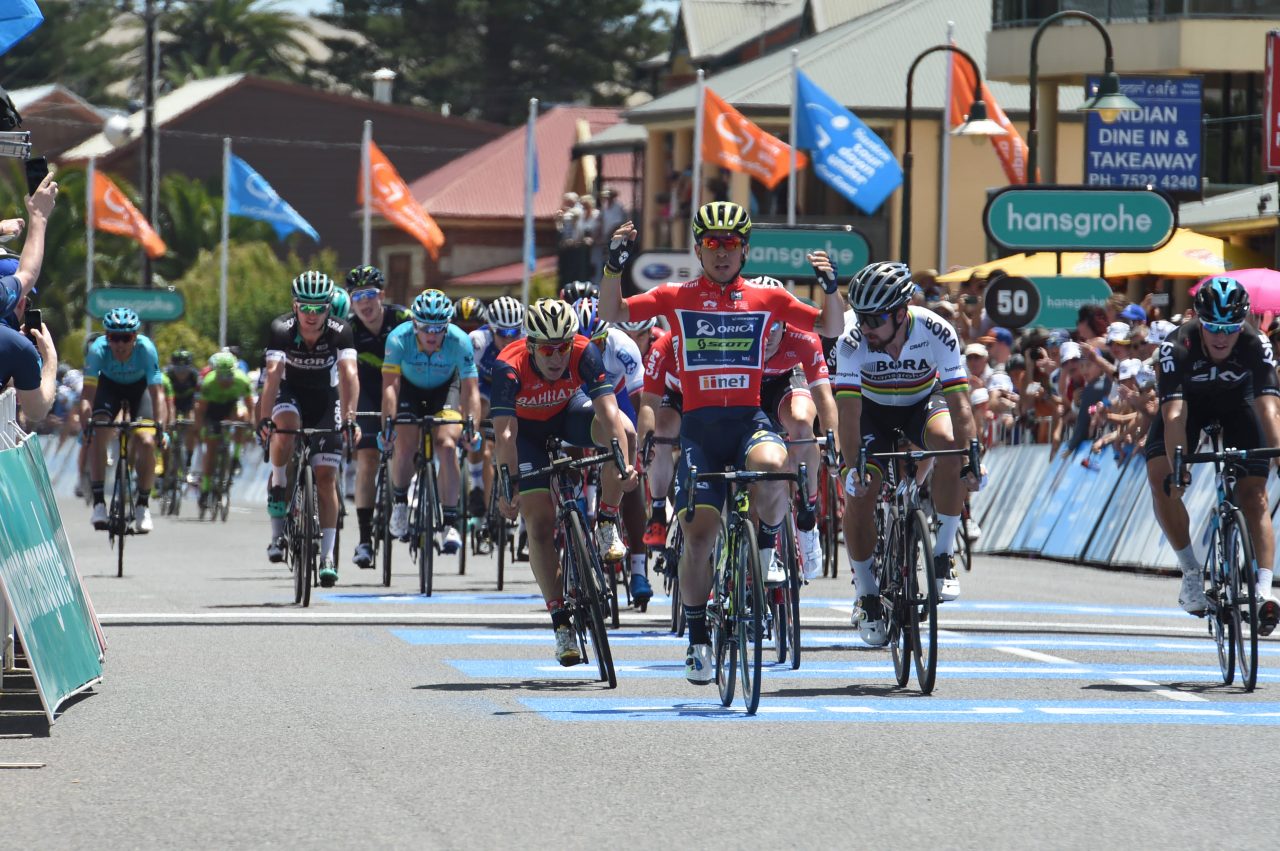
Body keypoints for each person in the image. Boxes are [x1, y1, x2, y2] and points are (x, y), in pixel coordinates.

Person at [598, 201, 844, 684]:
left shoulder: (766, 299)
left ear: (746, 249)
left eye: (732, 243)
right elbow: (615, 311)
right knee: (699, 537)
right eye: (713, 243)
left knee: (776, 466)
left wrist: (833, 290)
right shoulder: (676, 294)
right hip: (700, 431)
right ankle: (695, 640)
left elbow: (829, 326)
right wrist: (613, 267)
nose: (723, 252)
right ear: (698, 249)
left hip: (749, 420)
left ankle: (770, 549)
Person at [834, 262, 983, 646]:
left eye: (877, 318)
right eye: (862, 317)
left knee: (950, 446)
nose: (867, 327)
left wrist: (971, 460)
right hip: (870, 411)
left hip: (921, 402)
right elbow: (848, 416)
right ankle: (866, 592)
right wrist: (855, 470)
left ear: (902, 314)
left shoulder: (937, 330)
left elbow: (961, 405)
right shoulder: (851, 339)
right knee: (862, 492)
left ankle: (943, 554)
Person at [492, 299, 638, 666]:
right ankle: (561, 623)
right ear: (531, 346)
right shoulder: (508, 367)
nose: (557, 357)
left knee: (626, 432)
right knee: (539, 526)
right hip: (527, 435)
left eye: (562, 347)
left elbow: (607, 411)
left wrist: (623, 463)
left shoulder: (583, 351)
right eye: (547, 349)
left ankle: (605, 520)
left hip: (568, 414)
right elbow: (506, 436)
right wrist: (506, 485)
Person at [1144, 277, 1280, 634]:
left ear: (1244, 322)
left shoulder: (1255, 343)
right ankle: (1190, 571)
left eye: (1231, 328)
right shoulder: (1177, 346)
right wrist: (1178, 466)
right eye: (1213, 327)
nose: (1222, 337)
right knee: (1162, 480)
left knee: (1255, 496)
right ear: (1198, 320)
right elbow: (1175, 415)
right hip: (1189, 407)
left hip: (1240, 405)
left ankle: (1264, 590)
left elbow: (1269, 410)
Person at [258, 272, 359, 588]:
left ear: (329, 308)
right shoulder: (281, 329)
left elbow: (349, 374)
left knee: (326, 477)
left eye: (319, 308)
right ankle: (278, 481)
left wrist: (350, 419)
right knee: (285, 428)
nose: (312, 315)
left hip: (325, 401)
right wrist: (264, 419)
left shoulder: (341, 331)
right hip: (290, 393)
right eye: (306, 308)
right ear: (295, 306)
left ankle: (327, 558)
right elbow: (273, 375)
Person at [382, 289, 483, 555]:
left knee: (447, 446)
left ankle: (449, 523)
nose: (431, 334)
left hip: (445, 390)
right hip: (409, 391)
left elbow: (471, 390)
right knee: (405, 445)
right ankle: (401, 504)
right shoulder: (398, 339)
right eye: (425, 327)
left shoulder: (460, 341)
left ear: (447, 326)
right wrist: (388, 424)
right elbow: (390, 387)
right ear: (414, 323)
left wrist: (471, 425)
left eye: (438, 328)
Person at [572, 296, 650, 606]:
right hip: (578, 402)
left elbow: (642, 400)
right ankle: (574, 539)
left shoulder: (623, 347)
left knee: (629, 474)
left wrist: (642, 445)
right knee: (568, 465)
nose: (593, 349)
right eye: (584, 343)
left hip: (616, 401)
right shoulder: (565, 352)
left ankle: (639, 569)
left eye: (599, 341)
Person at [758, 295, 839, 580]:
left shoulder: (803, 337)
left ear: (786, 323)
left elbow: (823, 393)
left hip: (785, 381)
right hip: (746, 385)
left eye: (775, 327)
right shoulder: (735, 336)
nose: (768, 336)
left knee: (803, 426)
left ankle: (807, 513)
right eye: (762, 327)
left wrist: (832, 439)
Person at [341, 265, 411, 569]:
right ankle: (365, 539)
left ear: (382, 295)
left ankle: (402, 502)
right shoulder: (348, 330)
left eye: (370, 295)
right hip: (367, 393)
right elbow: (342, 374)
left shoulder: (402, 319)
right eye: (358, 297)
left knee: (404, 449)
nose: (365, 302)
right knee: (368, 458)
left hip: (403, 387)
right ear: (351, 301)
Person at [81, 308, 166, 533]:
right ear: (106, 337)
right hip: (109, 389)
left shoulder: (146, 350)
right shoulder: (97, 350)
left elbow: (157, 394)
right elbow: (87, 396)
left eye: (126, 338)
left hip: (139, 391)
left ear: (135, 337)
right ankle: (99, 503)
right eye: (114, 337)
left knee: (147, 442)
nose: (119, 344)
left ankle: (142, 505)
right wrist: (86, 426)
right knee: (99, 430)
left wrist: (161, 428)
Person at [469, 295, 526, 522]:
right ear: (490, 329)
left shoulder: (527, 340)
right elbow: (467, 382)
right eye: (502, 333)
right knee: (478, 413)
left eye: (513, 333)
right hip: (484, 386)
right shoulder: (477, 341)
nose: (508, 338)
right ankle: (475, 485)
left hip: (512, 389)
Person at [193, 351, 255, 509]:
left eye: (229, 376)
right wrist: (201, 430)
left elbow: (250, 405)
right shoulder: (209, 382)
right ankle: (206, 488)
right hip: (212, 411)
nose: (226, 380)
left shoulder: (242, 379)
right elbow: (201, 410)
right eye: (222, 376)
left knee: (242, 417)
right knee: (211, 449)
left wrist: (252, 426)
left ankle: (235, 457)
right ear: (216, 373)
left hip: (231, 407)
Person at [0, 173, 58, 327]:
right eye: (19, 296)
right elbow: (27, 274)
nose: (22, 306)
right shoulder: (17, 345)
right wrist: (39, 215)